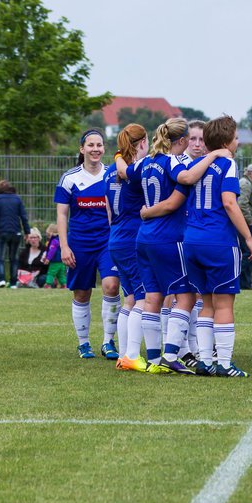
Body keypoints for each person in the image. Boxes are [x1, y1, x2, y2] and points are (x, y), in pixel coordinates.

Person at [176, 115, 252, 377]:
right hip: (218, 241)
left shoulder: (197, 163)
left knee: (206, 304)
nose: (238, 141)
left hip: (192, 241)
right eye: (235, 137)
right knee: (224, 304)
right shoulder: (228, 164)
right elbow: (230, 203)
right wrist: (248, 237)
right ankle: (223, 363)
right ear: (225, 141)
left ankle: (205, 360)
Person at [136, 118, 199, 374]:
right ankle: (171, 354)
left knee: (153, 297)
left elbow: (124, 171)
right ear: (182, 141)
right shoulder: (173, 161)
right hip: (168, 237)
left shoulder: (146, 162)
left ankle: (152, 360)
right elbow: (180, 188)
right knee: (186, 296)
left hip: (143, 238)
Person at [54, 129, 121, 360]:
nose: (95, 149)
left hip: (108, 242)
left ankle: (108, 342)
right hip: (79, 244)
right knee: (82, 293)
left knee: (112, 286)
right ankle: (83, 343)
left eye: (99, 145)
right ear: (82, 149)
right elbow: (62, 215)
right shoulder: (69, 178)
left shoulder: (112, 175)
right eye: (90, 145)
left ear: (104, 148)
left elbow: (115, 209)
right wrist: (64, 246)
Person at [109, 123, 149, 371]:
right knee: (143, 298)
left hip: (116, 235)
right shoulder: (136, 169)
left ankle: (123, 354)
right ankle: (132, 355)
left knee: (130, 299)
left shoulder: (111, 169)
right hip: (132, 238)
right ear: (142, 142)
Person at [0, 180, 31, 289]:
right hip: (16, 232)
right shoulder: (17, 198)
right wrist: (27, 232)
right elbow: (23, 216)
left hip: (1, 232)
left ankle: (2, 279)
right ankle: (13, 283)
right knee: (14, 258)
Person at [43, 223, 66, 288]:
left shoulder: (54, 241)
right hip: (62, 261)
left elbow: (52, 251)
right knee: (61, 274)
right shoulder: (61, 239)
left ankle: (48, 284)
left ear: (51, 233)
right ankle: (64, 284)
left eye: (48, 234)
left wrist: (48, 258)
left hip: (55, 261)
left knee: (51, 273)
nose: (47, 236)